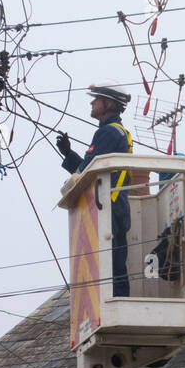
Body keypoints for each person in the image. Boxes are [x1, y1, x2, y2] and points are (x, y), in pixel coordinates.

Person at [57, 83, 134, 296]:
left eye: (96, 99)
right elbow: (89, 168)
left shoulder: (108, 132)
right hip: (116, 206)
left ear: (109, 104)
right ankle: (118, 301)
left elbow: (85, 171)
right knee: (115, 265)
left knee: (111, 266)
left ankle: (117, 303)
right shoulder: (116, 132)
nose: (92, 102)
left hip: (109, 206)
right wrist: (68, 154)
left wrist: (70, 159)